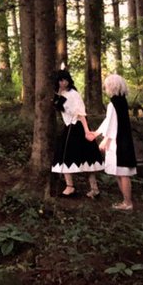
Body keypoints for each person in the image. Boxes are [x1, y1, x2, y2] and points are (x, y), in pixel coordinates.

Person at [50, 69, 103, 197]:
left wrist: (86, 131)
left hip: (78, 127)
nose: (63, 82)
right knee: (63, 156)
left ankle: (94, 189)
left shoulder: (73, 94)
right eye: (61, 80)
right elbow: (57, 106)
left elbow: (81, 114)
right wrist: (58, 93)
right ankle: (70, 187)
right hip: (69, 127)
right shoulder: (59, 94)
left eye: (65, 80)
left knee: (86, 157)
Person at [88, 74, 137, 210]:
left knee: (122, 173)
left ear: (112, 86)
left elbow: (113, 124)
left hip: (119, 142)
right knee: (119, 172)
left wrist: (105, 140)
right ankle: (125, 202)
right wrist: (97, 133)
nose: (105, 88)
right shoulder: (121, 101)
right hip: (122, 140)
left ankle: (127, 203)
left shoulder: (114, 103)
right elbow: (109, 121)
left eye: (107, 85)